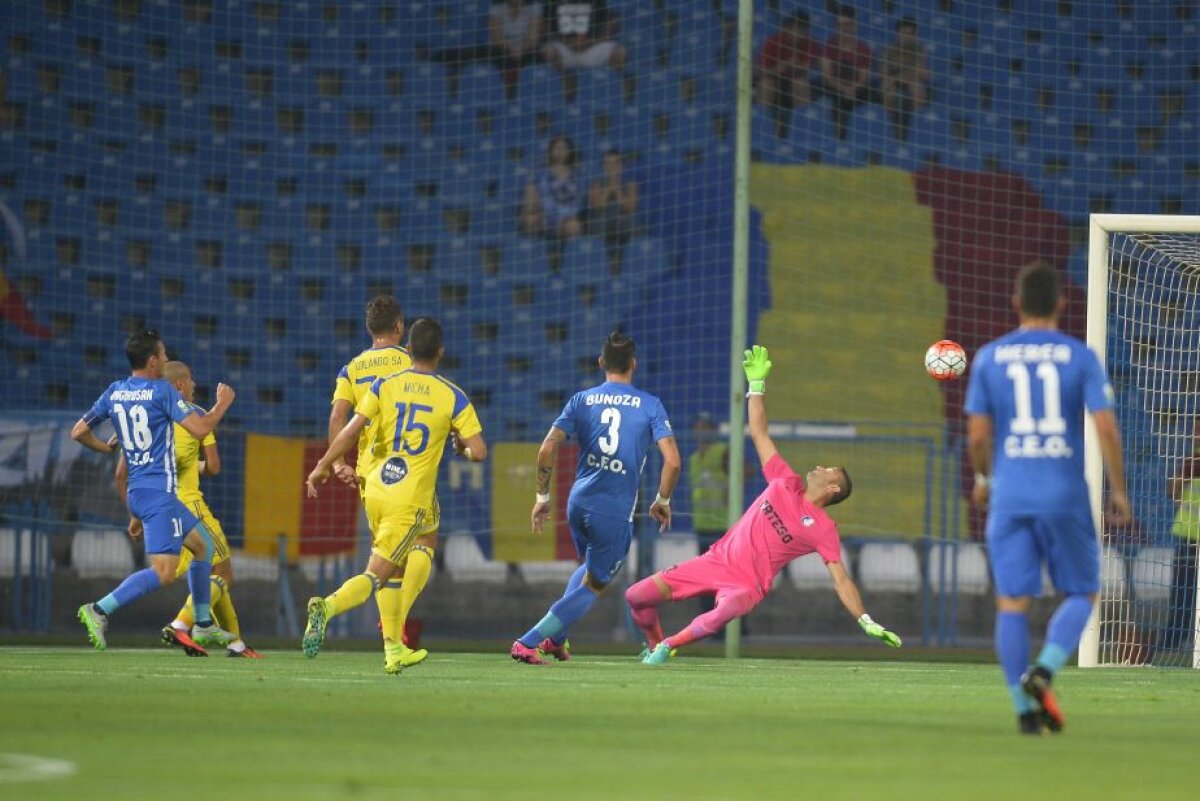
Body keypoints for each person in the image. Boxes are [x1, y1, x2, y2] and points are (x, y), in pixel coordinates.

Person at [627, 346, 901, 664]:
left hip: (746, 584)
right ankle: (654, 644)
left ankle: (667, 647)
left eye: (829, 470)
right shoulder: (785, 480)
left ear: (833, 487)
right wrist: (756, 386)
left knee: (725, 612)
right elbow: (758, 432)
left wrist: (865, 620)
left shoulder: (824, 529)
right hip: (714, 561)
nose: (821, 466)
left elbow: (841, 580)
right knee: (636, 596)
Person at [965, 263, 1132, 735]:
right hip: (1064, 493)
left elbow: (978, 434)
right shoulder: (1080, 356)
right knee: (1082, 592)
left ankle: (1023, 711)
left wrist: (983, 477)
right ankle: (1045, 670)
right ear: (1062, 303)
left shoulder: (989, 358)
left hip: (1010, 495)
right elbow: (1105, 426)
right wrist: (1118, 489)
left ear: (1016, 303)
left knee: (1012, 603)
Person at [306, 318, 487, 674]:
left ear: (409, 350)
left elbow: (350, 429)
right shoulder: (452, 395)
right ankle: (326, 607)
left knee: (415, 543)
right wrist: (461, 449)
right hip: (410, 497)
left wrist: (324, 464)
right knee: (378, 573)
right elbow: (479, 451)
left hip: (376, 488)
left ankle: (394, 648)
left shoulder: (384, 384)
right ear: (440, 352)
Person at [511, 331, 681, 664]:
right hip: (612, 513)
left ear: (601, 362)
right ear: (634, 364)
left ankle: (556, 640)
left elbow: (547, 448)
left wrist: (542, 497)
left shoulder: (581, 400)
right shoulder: (650, 405)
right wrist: (662, 500)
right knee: (596, 584)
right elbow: (673, 461)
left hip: (578, 504)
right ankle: (529, 641)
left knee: (590, 567)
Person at [73, 330, 236, 654]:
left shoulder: (114, 391)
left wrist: (105, 450)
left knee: (200, 545)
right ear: (151, 361)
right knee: (164, 573)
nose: (165, 360)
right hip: (158, 496)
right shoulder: (162, 392)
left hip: (142, 493)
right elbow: (201, 428)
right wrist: (221, 405)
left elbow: (78, 432)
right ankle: (99, 609)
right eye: (162, 355)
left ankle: (202, 624)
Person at [115, 361, 261, 658]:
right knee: (224, 574)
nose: (194, 385)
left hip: (159, 506)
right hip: (191, 505)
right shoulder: (196, 415)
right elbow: (215, 467)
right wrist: (220, 407)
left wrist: (135, 514)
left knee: (189, 573)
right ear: (180, 384)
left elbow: (123, 473)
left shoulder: (150, 417)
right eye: (191, 380)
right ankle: (181, 624)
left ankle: (236, 644)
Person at [329, 295, 422, 651]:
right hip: (409, 468)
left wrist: (337, 462)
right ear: (399, 326)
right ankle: (339, 607)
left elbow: (338, 417)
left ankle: (394, 640)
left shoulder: (351, 368)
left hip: (369, 473)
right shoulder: (411, 361)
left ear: (370, 329)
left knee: (390, 555)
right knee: (422, 544)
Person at [756, 10, 820, 137]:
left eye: (802, 30)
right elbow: (761, 69)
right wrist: (779, 68)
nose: (798, 33)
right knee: (766, 83)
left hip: (797, 79)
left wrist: (795, 66)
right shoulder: (773, 41)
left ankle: (801, 128)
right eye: (795, 29)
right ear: (788, 28)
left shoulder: (811, 43)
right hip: (775, 79)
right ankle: (764, 128)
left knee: (799, 82)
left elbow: (807, 67)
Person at [1166, 421, 1200, 652]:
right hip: (1188, 536)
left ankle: (1176, 641)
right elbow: (1173, 488)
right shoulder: (1192, 459)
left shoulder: (1194, 461)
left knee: (1184, 592)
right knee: (1182, 592)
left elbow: (1173, 488)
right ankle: (1178, 640)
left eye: (1198, 429)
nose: (1194, 434)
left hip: (1190, 537)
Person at [818, 5, 876, 141]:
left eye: (848, 24)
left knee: (872, 95)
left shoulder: (863, 49)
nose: (844, 28)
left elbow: (863, 78)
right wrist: (844, 89)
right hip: (834, 88)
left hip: (857, 90)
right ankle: (835, 139)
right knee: (833, 98)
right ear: (836, 26)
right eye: (840, 25)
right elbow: (827, 77)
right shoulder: (828, 46)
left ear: (855, 26)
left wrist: (851, 89)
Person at [520, 135, 583, 241]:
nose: (561, 151)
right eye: (557, 148)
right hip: (542, 216)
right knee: (531, 218)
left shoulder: (577, 175)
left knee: (573, 225)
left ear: (569, 151)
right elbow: (530, 191)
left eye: (564, 148)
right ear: (551, 150)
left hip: (566, 220)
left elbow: (579, 201)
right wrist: (536, 209)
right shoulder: (540, 172)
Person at [585, 148, 639, 268]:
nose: (612, 166)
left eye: (615, 163)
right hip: (602, 222)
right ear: (603, 166)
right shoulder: (596, 182)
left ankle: (627, 262)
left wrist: (618, 190)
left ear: (622, 165)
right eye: (608, 163)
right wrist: (610, 188)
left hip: (624, 222)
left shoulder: (630, 182)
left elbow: (631, 207)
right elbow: (597, 206)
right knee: (602, 221)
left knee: (629, 222)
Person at [879, 16, 930, 141]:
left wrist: (902, 78)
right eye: (903, 33)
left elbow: (921, 73)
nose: (906, 37)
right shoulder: (889, 50)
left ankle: (914, 129)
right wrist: (895, 79)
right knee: (887, 89)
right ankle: (892, 128)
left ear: (915, 35)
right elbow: (883, 73)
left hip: (912, 82)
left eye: (910, 34)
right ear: (897, 34)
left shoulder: (919, 49)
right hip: (894, 82)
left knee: (918, 90)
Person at [542, 0, 626, 71]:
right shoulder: (554, 2)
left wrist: (589, 42)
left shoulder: (597, 2)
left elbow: (606, 30)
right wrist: (569, 42)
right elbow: (548, 32)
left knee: (620, 53)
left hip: (592, 48)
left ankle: (609, 86)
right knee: (548, 50)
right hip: (565, 49)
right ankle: (563, 85)